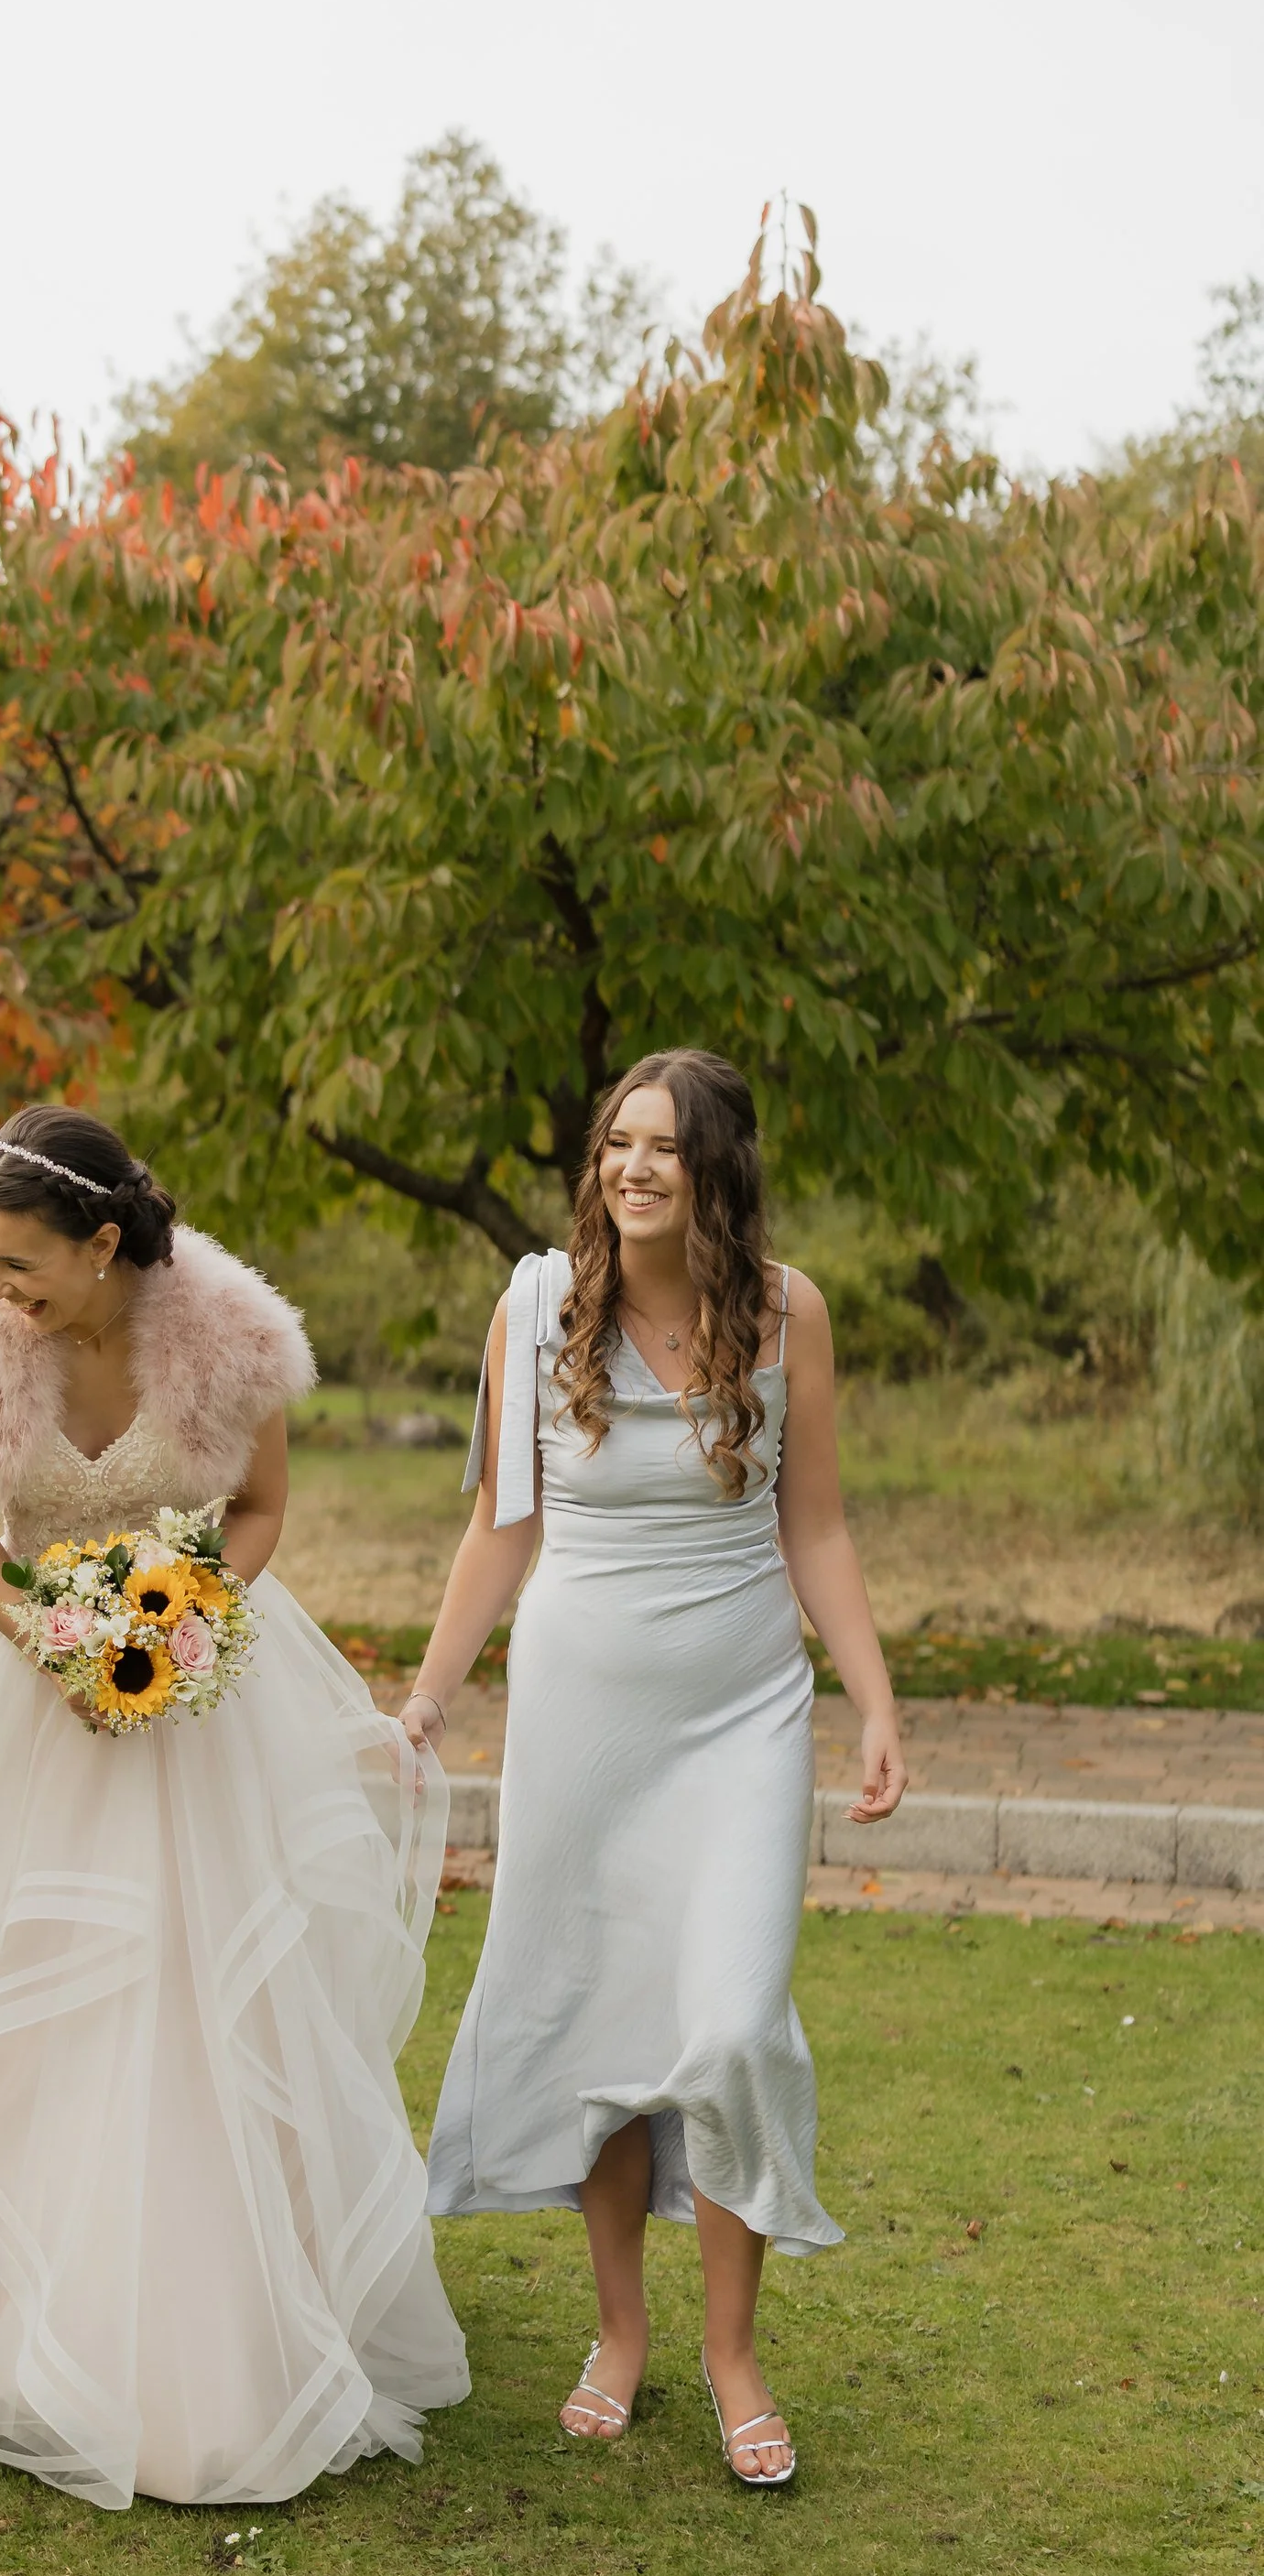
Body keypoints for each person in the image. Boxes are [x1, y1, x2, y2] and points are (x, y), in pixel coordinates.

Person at [0, 1106, 467, 2509]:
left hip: (198, 1707)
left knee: (199, 1990)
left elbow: (256, 1511)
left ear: (105, 1243)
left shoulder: (230, 1338)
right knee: (21, 1991)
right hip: (30, 1701)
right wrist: (49, 1640)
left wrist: (176, 1622)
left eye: (19, 1265)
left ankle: (216, 2314)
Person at [405, 1049, 905, 2486]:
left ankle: (733, 2350)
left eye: (665, 1148)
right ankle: (618, 2331)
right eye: (618, 1143)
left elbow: (815, 1527)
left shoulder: (787, 1311)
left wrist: (871, 1696)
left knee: (734, 2025)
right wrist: (434, 1695)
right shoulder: (535, 1306)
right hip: (582, 1717)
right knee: (605, 2035)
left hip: (741, 1712)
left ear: (718, 1171)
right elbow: (502, 1526)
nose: (632, 1168)